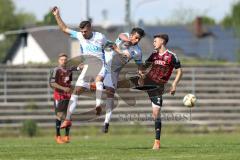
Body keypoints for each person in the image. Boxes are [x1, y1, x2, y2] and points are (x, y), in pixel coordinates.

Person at [52, 6, 108, 129]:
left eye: (85, 31)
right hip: (88, 66)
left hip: (100, 64)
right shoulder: (79, 36)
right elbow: (64, 28)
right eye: (81, 31)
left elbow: (110, 46)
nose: (83, 33)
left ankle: (98, 105)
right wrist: (57, 15)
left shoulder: (100, 37)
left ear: (90, 28)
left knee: (98, 80)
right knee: (76, 92)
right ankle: (67, 119)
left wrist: (119, 52)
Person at [141, 34, 183, 150]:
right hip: (148, 83)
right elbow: (144, 67)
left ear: (162, 42)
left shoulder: (171, 56)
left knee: (156, 113)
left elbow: (180, 72)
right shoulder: (153, 55)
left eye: (155, 41)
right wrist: (141, 72)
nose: (153, 43)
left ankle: (157, 141)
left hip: (158, 86)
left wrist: (174, 84)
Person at [102, 27, 145, 133]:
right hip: (102, 63)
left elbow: (139, 65)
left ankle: (106, 122)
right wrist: (124, 48)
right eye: (136, 37)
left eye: (139, 39)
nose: (137, 40)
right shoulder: (124, 36)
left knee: (110, 94)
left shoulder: (137, 51)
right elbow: (121, 36)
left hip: (113, 72)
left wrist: (141, 75)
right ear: (131, 35)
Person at [49, 53, 73, 144]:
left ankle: (66, 136)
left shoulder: (69, 70)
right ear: (59, 61)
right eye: (62, 59)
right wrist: (63, 88)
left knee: (68, 116)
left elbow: (69, 81)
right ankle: (58, 136)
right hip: (59, 95)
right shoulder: (56, 70)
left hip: (67, 95)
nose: (64, 61)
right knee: (59, 115)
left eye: (65, 59)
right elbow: (52, 83)